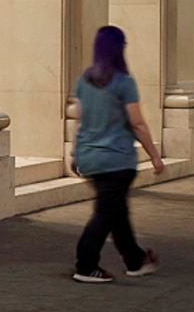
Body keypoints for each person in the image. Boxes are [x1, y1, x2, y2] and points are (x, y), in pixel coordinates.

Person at [69, 24, 168, 283]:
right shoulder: (124, 83)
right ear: (119, 49)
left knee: (116, 212)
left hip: (90, 156)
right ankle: (86, 265)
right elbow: (136, 123)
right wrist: (154, 155)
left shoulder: (83, 81)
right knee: (105, 214)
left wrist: (75, 153)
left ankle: (135, 261)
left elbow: (79, 120)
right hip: (117, 159)